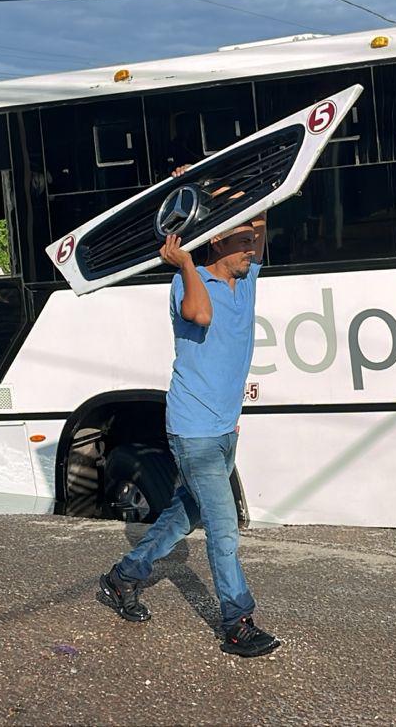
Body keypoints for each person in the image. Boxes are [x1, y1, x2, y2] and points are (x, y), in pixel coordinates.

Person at [96, 216, 281, 658]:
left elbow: (260, 216)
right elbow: (200, 314)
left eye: (252, 243)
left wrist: (207, 189)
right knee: (223, 528)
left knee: (183, 518)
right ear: (216, 242)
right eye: (242, 243)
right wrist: (184, 264)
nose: (252, 249)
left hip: (224, 429)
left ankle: (122, 579)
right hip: (193, 430)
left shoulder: (246, 276)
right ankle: (236, 623)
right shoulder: (189, 283)